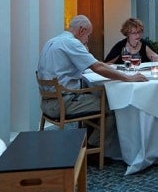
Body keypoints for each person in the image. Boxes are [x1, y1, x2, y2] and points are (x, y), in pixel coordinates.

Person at [37, 15, 147, 147]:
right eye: (88, 35)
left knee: (94, 97)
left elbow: (91, 65)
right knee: (110, 105)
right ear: (82, 30)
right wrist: (128, 78)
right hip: (62, 103)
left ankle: (85, 142)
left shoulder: (52, 41)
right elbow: (97, 67)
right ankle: (93, 148)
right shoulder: (72, 43)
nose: (88, 39)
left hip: (47, 103)